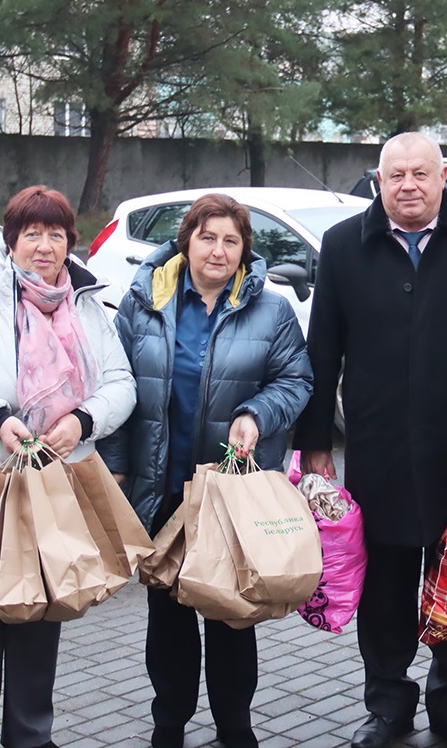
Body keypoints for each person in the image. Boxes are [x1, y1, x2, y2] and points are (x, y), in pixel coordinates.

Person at [295, 133, 447, 748]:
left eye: (420, 173)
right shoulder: (343, 245)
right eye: (395, 175)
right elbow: (323, 351)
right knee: (385, 590)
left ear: (443, 176)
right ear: (379, 181)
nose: (408, 186)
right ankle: (388, 706)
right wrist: (315, 442)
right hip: (380, 451)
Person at [0, 185, 136, 748]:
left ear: (70, 243)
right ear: (10, 241)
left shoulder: (88, 307)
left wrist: (83, 421)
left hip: (53, 493)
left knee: (39, 620)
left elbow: (120, 384)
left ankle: (30, 739)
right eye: (31, 234)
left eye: (56, 235)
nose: (44, 246)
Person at [97, 192, 313, 748]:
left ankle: (235, 728)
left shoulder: (271, 310)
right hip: (162, 488)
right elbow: (118, 391)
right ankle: (168, 724)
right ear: (186, 241)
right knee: (167, 619)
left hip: (232, 493)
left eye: (231, 241)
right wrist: (116, 470)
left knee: (231, 615)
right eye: (207, 237)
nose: (218, 250)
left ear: (244, 250)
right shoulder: (144, 303)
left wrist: (256, 414)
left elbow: (296, 381)